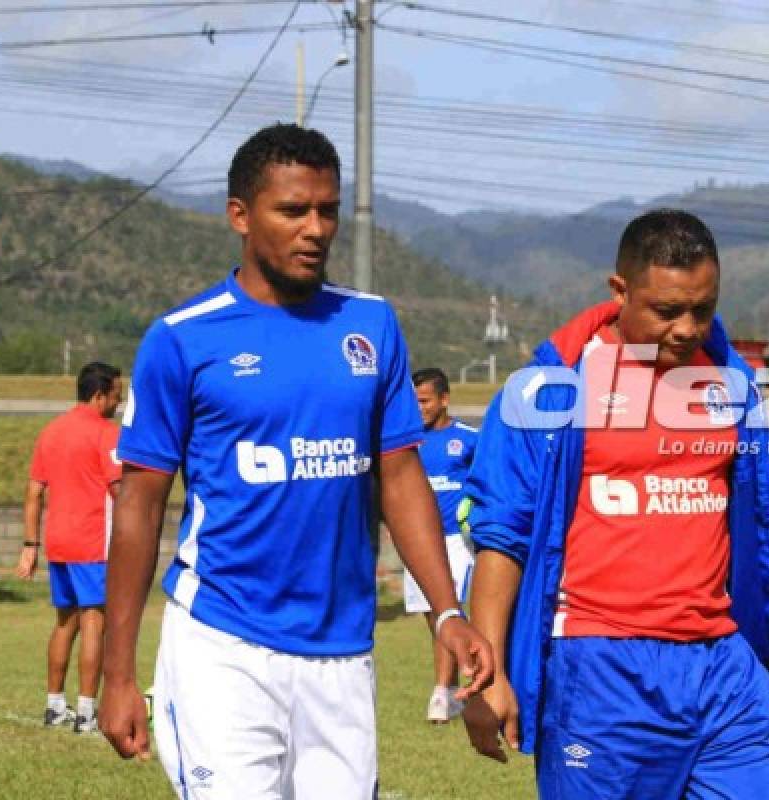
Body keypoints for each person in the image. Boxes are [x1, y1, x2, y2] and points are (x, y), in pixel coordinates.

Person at [100, 123, 494, 798]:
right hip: (222, 643)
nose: (316, 228)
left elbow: (400, 477)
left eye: (328, 210)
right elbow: (139, 504)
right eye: (292, 211)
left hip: (343, 653)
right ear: (240, 216)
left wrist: (448, 613)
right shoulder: (183, 339)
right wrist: (117, 674)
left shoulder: (371, 326)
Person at [460, 210, 769, 799]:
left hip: (723, 668)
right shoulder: (549, 390)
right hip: (601, 666)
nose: (686, 328)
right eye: (666, 310)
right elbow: (504, 535)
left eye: (702, 309)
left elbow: (766, 524)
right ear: (620, 291)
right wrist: (490, 672)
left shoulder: (728, 383)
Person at [16, 362, 123, 733]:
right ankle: (87, 711)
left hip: (58, 541)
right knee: (95, 620)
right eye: (115, 397)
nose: (118, 404)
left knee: (65, 621)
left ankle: (54, 705)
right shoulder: (107, 434)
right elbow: (118, 489)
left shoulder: (51, 431)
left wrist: (30, 544)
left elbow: (33, 492)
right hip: (93, 539)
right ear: (99, 396)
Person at [405, 367, 479, 723]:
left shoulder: (468, 439)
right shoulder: (406, 441)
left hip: (455, 540)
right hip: (419, 539)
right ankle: (451, 688)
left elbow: (488, 482)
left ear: (444, 400)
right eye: (413, 401)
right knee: (431, 615)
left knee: (446, 610)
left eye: (424, 401)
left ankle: (441, 692)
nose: (418, 408)